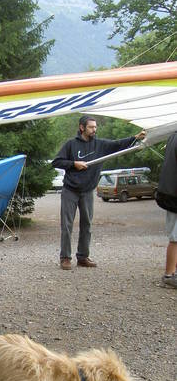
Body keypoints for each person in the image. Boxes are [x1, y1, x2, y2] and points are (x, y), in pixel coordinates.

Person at [52, 116, 146, 270]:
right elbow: (56, 162)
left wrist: (135, 137)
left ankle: (83, 257)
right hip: (70, 190)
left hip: (87, 191)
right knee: (67, 225)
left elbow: (118, 144)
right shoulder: (71, 144)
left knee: (87, 224)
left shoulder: (100, 145)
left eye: (95, 127)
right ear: (82, 127)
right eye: (91, 127)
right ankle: (65, 258)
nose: (94, 130)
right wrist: (74, 164)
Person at [156, 132, 177, 288]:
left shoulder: (172, 136)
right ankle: (169, 275)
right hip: (174, 195)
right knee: (176, 238)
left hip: (169, 194)